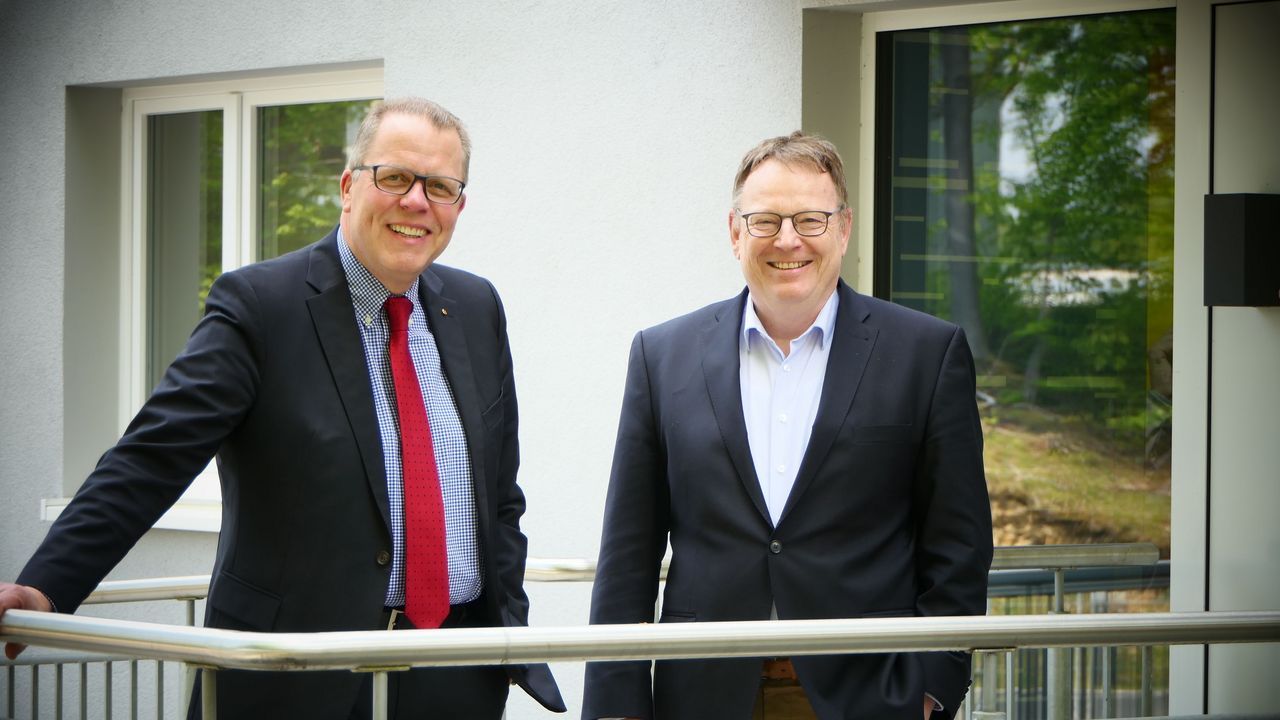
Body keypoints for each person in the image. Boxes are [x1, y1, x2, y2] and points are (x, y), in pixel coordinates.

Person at [0, 97, 564, 719]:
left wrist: (502, 633)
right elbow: (150, 458)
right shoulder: (261, 306)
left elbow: (499, 496)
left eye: (440, 186)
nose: (416, 202)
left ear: (459, 205)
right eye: (395, 177)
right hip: (299, 672)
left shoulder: (476, 306)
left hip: (454, 675)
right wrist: (45, 586)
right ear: (348, 187)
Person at [581, 132, 992, 720]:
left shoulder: (926, 353)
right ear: (734, 232)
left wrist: (935, 682)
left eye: (811, 219)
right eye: (766, 220)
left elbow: (959, 541)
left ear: (844, 229)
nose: (788, 240)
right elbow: (629, 548)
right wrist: (615, 701)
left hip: (870, 692)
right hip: (704, 693)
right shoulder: (661, 355)